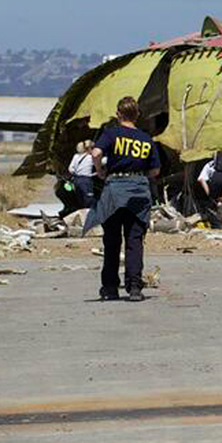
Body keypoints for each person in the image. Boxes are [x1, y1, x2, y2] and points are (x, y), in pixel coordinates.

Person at [82, 97, 160, 302]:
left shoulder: (111, 134)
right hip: (138, 192)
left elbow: (96, 152)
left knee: (112, 240)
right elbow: (155, 169)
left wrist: (100, 171)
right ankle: (134, 286)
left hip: (115, 190)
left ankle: (110, 288)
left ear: (118, 114)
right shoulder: (146, 139)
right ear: (137, 115)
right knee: (135, 241)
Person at [67, 140, 97, 207]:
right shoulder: (91, 157)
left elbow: (70, 169)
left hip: (76, 180)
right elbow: (103, 161)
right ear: (89, 149)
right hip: (86, 180)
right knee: (89, 200)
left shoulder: (75, 156)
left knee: (80, 200)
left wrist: (77, 172)